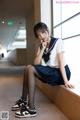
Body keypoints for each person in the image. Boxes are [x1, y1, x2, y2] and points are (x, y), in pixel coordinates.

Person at [12, 22, 74, 118]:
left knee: (31, 69)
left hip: (60, 73)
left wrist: (66, 81)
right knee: (27, 68)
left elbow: (61, 62)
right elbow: (36, 62)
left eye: (43, 33)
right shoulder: (41, 45)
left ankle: (31, 109)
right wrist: (42, 49)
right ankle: (24, 100)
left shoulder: (58, 41)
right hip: (50, 71)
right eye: (39, 35)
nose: (42, 36)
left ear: (47, 31)